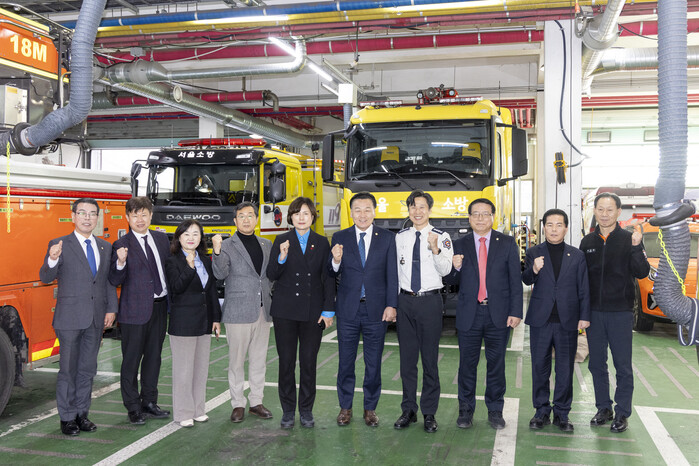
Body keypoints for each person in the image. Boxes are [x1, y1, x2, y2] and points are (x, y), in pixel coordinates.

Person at [39, 198, 117, 436]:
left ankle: (82, 414)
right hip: (69, 319)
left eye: (92, 213)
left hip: (95, 318)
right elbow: (45, 277)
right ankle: (67, 417)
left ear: (97, 218)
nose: (87, 218)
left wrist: (111, 309)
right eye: (82, 213)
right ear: (73, 217)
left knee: (87, 369)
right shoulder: (60, 244)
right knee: (68, 370)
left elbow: (107, 282)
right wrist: (53, 258)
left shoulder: (105, 246)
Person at [446, 198, 522, 430]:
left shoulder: (507, 243)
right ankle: (465, 411)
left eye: (485, 214)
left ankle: (495, 410)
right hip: (469, 313)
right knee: (466, 366)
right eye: (475, 214)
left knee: (496, 365)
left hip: (498, 313)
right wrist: (455, 267)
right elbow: (449, 280)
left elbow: (515, 280)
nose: (480, 218)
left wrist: (516, 311)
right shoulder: (459, 244)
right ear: (469, 218)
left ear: (493, 217)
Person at [580, 193, 649, 433]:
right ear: (595, 211)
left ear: (619, 212)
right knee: (596, 364)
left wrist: (637, 247)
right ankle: (603, 408)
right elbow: (581, 279)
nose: (605, 214)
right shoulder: (587, 242)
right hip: (594, 313)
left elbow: (641, 272)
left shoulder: (629, 239)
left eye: (610, 210)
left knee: (623, 366)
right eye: (600, 209)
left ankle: (622, 413)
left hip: (620, 312)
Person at [329, 192, 398, 428]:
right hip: (348, 310)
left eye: (367, 209)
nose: (362, 214)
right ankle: (345, 407)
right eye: (357, 210)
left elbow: (392, 274)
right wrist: (335, 260)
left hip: (377, 310)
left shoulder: (387, 238)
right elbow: (332, 272)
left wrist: (391, 304)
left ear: (374, 212)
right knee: (345, 363)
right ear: (351, 213)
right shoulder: (340, 237)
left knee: (373, 362)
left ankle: (370, 408)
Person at [266, 197, 335, 429]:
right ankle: (287, 410)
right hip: (285, 311)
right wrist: (282, 256)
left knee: (308, 362)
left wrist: (328, 310)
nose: (301, 217)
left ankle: (306, 410)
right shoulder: (281, 240)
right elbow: (272, 274)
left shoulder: (322, 242)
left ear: (313, 217)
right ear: (291, 217)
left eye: (306, 213)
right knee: (286, 363)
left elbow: (328, 278)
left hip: (312, 312)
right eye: (297, 213)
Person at [522, 209, 590, 432]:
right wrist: (534, 269)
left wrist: (584, 317)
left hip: (567, 321)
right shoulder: (534, 252)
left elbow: (583, 288)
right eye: (549, 225)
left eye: (558, 225)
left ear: (566, 228)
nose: (553, 229)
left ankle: (562, 413)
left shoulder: (577, 255)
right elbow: (525, 279)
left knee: (564, 369)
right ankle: (541, 411)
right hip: (541, 320)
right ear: (543, 228)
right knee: (539, 368)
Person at [394, 191, 453, 433]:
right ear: (408, 210)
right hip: (405, 301)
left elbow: (446, 270)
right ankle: (408, 409)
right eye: (413, 207)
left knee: (429, 360)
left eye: (422, 207)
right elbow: (394, 271)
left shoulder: (442, 236)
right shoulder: (400, 237)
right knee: (407, 361)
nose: (417, 212)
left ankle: (429, 412)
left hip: (430, 302)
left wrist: (435, 249)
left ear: (429, 210)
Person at [109, 196, 171, 425]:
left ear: (151, 215)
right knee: (131, 361)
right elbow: (114, 279)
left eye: (144, 214)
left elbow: (168, 269)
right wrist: (120, 263)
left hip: (160, 307)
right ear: (127, 217)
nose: (140, 219)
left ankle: (149, 402)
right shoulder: (121, 244)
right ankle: (133, 407)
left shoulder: (162, 239)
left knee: (154, 358)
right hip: (134, 312)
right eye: (135, 215)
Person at [212, 202, 274, 423]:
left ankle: (256, 401)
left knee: (259, 360)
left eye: (250, 215)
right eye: (241, 216)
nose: (246, 219)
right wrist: (217, 251)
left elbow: (270, 276)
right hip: (238, 311)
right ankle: (237, 403)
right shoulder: (227, 245)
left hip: (263, 311)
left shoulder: (267, 244)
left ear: (256, 219)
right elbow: (220, 274)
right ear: (235, 221)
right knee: (236, 362)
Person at [164, 220, 221, 427]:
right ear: (178, 238)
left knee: (200, 370)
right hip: (184, 324)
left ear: (201, 238)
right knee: (183, 371)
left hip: (204, 321)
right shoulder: (172, 261)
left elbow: (211, 290)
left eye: (195, 234)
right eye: (186, 234)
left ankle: (198, 409)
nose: (191, 238)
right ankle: (183, 413)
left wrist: (216, 318)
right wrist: (189, 267)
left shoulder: (205, 260)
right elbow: (176, 288)